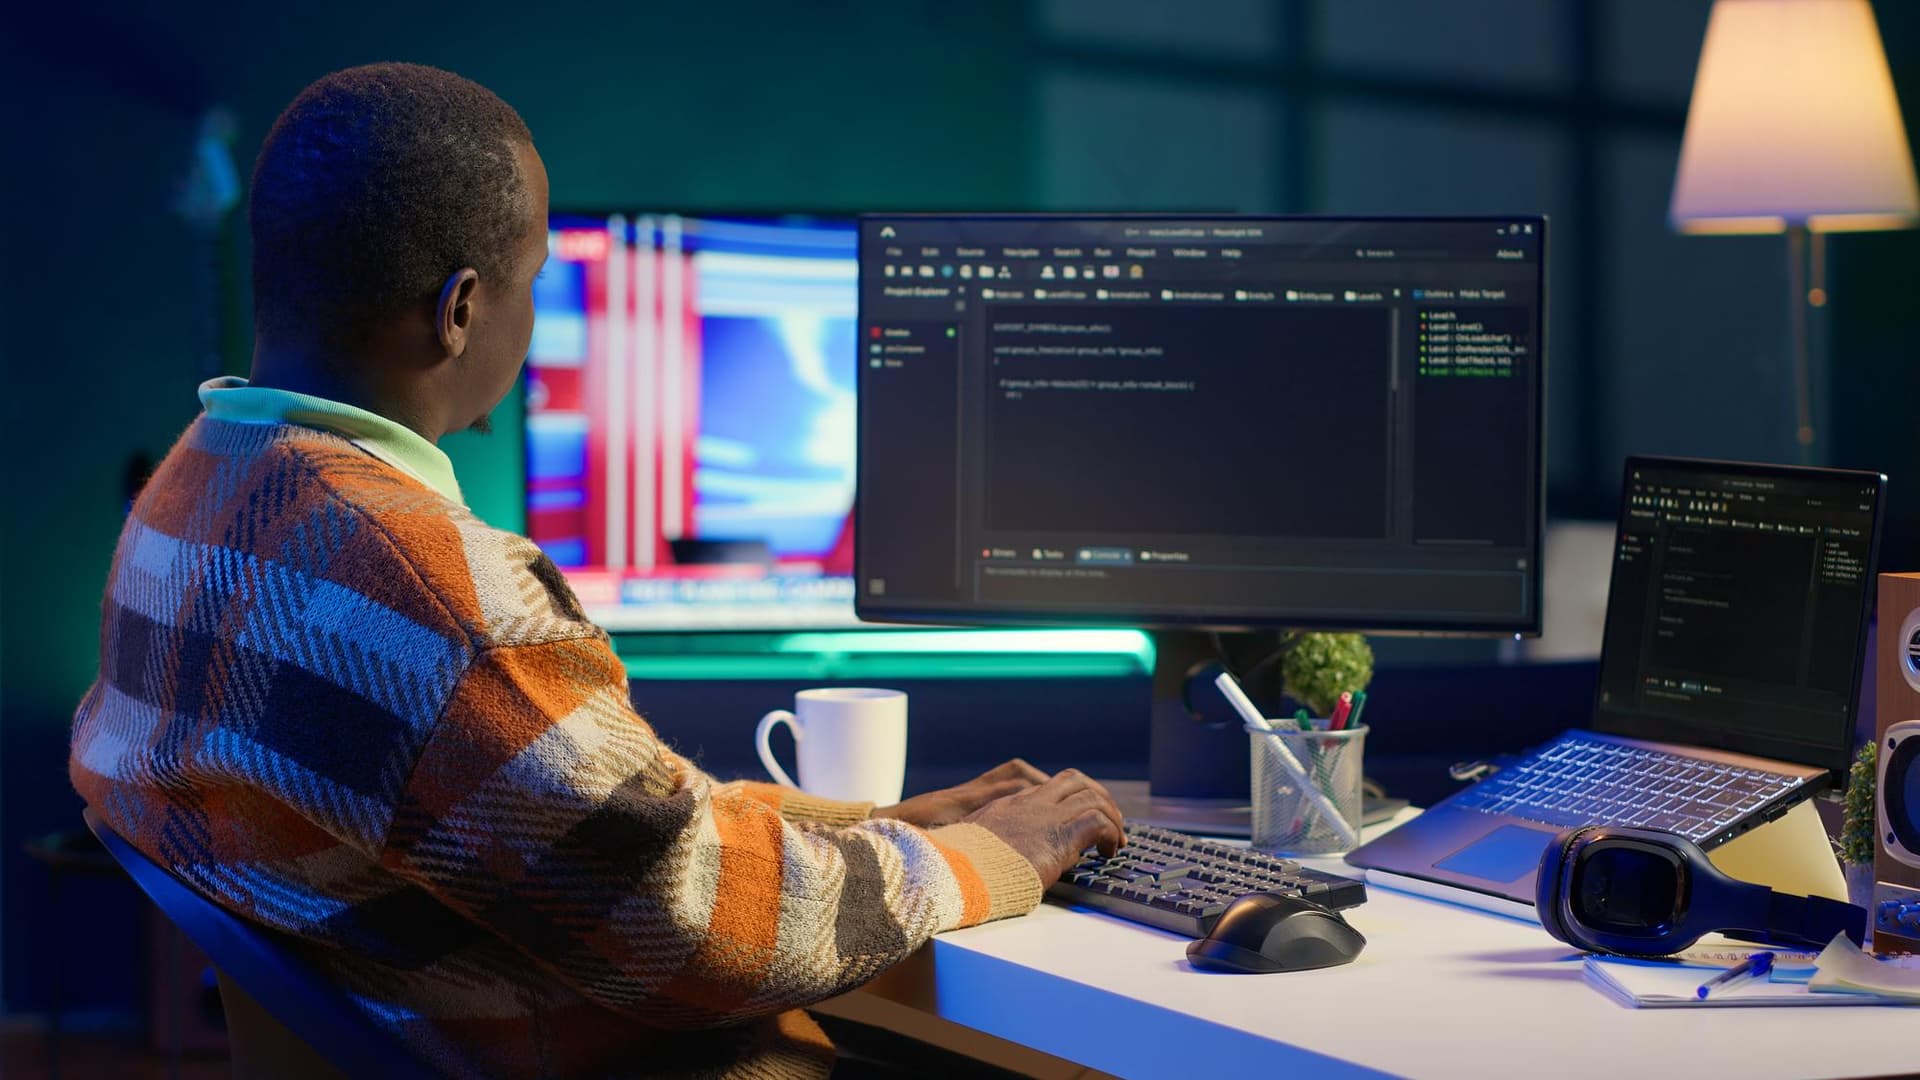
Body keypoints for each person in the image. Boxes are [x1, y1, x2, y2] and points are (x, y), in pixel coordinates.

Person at [69, 62, 1124, 1078]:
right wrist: (996, 858)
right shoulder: (445, 601)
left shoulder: (190, 497)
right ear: (461, 310)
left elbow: (615, 823)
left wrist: (887, 826)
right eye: (534, 283)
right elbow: (707, 927)